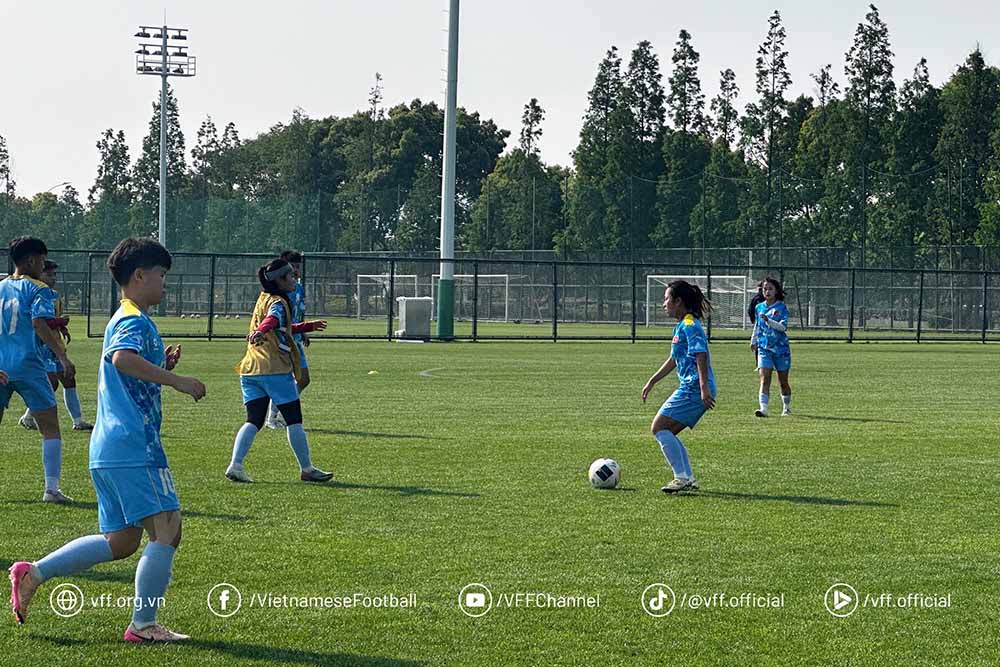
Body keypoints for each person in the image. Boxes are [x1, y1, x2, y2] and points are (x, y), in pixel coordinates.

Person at [8, 237, 206, 643]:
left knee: (121, 540)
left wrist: (160, 364)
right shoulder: (133, 319)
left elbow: (126, 366)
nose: (164, 284)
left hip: (109, 447)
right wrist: (178, 380)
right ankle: (143, 625)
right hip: (134, 445)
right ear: (139, 276)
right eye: (161, 275)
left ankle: (35, 572)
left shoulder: (127, 317)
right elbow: (122, 359)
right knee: (168, 530)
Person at [226, 257, 332, 484]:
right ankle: (307, 469)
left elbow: (279, 326)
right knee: (294, 420)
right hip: (273, 368)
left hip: (250, 369)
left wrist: (308, 326)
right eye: (291, 275)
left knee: (253, 420)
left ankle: (235, 465)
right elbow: (272, 320)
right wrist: (262, 329)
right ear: (280, 280)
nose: (295, 278)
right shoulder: (277, 301)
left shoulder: (262, 298)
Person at [0, 237, 77, 503]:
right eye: (43, 260)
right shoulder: (40, 289)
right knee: (50, 428)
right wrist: (62, 356)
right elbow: (39, 324)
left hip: (1, 367)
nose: (44, 265)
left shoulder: (0, 287)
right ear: (31, 260)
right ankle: (51, 490)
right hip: (29, 367)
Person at [641, 280, 717, 494]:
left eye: (667, 299)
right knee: (666, 431)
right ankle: (687, 477)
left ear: (678, 301)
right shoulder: (682, 325)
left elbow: (700, 353)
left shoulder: (690, 325)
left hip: (694, 388)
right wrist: (653, 381)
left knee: (658, 427)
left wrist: (703, 387)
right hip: (691, 387)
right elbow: (674, 358)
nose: (664, 304)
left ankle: (681, 476)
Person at [18, 260, 94, 431]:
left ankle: (78, 420)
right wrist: (58, 321)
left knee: (68, 378)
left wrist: (61, 327)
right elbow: (37, 322)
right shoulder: (34, 294)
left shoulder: (53, 295)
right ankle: (28, 416)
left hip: (55, 346)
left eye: (55, 275)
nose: (53, 278)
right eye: (49, 274)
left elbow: (51, 320)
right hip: (42, 347)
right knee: (51, 382)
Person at [266, 250, 310, 429]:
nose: (297, 270)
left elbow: (299, 312)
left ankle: (280, 411)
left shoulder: (298, 287)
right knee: (285, 380)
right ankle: (272, 417)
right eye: (294, 266)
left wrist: (304, 331)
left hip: (296, 339)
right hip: (284, 340)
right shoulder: (280, 290)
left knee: (303, 379)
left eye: (299, 266)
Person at [751, 276, 792, 417]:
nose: (767, 291)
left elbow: (783, 327)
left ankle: (786, 407)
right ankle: (764, 409)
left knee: (783, 381)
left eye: (770, 289)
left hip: (781, 349)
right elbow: (757, 325)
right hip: (764, 348)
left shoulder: (782, 307)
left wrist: (769, 321)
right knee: (765, 377)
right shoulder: (759, 307)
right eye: (764, 289)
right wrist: (753, 340)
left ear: (776, 291)